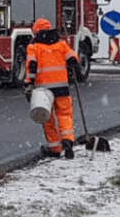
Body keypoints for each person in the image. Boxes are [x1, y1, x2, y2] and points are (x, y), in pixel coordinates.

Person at [24, 18, 82, 159]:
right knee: (64, 115)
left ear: (36, 31)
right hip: (62, 87)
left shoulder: (34, 47)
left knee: (47, 119)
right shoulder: (61, 44)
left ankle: (55, 147)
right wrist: (72, 67)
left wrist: (28, 83)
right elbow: (73, 59)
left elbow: (31, 66)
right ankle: (68, 140)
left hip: (44, 90)